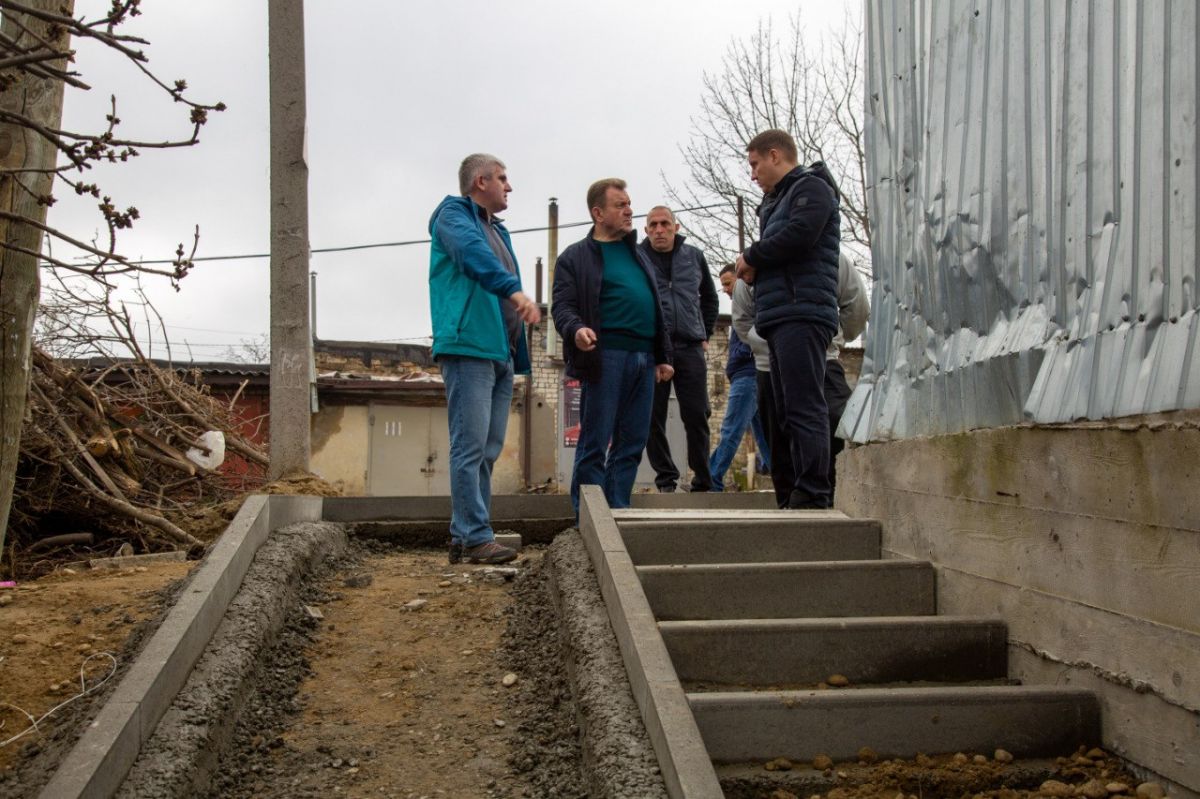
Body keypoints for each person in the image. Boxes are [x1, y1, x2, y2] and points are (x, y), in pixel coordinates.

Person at [429, 153, 540, 564]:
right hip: (468, 346)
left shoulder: (499, 232)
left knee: (489, 448)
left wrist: (518, 353)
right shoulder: (453, 217)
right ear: (480, 181)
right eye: (503, 178)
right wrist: (514, 290)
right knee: (470, 445)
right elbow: (475, 257)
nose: (509, 186)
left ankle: (467, 535)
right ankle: (476, 536)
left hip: (500, 352)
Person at [551, 179, 674, 513]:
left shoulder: (639, 255)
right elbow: (562, 306)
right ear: (598, 212)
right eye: (620, 204)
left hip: (645, 360)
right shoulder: (575, 257)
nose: (629, 210)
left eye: (629, 203)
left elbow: (656, 307)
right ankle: (588, 517)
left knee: (632, 441)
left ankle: (617, 511)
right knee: (595, 441)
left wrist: (663, 356)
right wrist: (575, 329)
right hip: (605, 358)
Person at [735, 129, 841, 509]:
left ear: (775, 155)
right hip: (781, 316)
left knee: (805, 406)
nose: (752, 174)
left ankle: (813, 494)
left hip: (803, 312)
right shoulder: (776, 201)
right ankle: (796, 490)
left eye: (755, 163)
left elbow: (800, 236)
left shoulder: (812, 189)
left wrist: (752, 257)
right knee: (784, 413)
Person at [734, 253, 867, 506]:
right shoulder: (753, 262)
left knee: (833, 428)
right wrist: (768, 346)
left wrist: (831, 339)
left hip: (822, 361)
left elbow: (856, 305)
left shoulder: (832, 257)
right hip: (770, 368)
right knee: (781, 447)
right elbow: (742, 320)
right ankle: (790, 512)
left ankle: (832, 502)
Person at [639, 206, 719, 493]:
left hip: (689, 347)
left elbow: (710, 298)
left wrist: (705, 332)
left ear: (676, 226)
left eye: (664, 224)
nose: (659, 230)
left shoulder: (694, 256)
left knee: (698, 415)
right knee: (651, 417)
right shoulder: (638, 257)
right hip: (653, 349)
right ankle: (666, 479)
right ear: (646, 230)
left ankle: (702, 480)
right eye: (653, 225)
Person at [709, 264, 770, 490]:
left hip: (748, 374)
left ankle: (711, 478)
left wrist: (743, 356)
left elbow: (753, 338)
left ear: (742, 279)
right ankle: (786, 478)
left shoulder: (752, 304)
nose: (725, 289)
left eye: (727, 283)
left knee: (731, 428)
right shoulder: (742, 307)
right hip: (748, 374)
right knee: (764, 435)